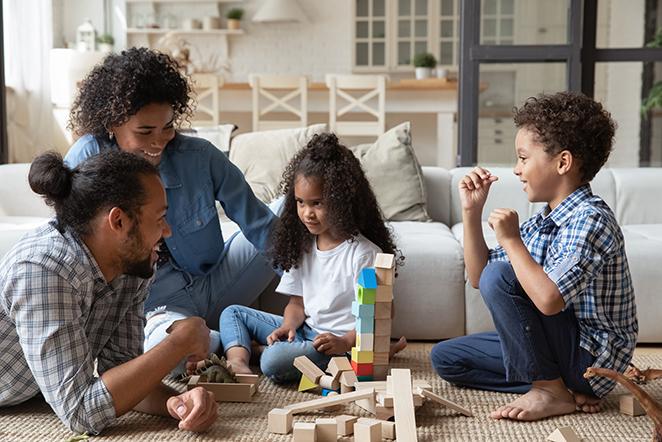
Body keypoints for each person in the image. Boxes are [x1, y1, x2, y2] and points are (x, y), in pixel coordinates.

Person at [64, 47, 279, 369]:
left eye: (167, 126)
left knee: (292, 213)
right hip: (154, 310)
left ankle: (222, 338)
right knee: (172, 360)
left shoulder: (200, 156)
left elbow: (261, 224)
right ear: (112, 123)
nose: (159, 140)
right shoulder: (86, 160)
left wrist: (301, 297)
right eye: (145, 131)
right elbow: (71, 253)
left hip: (212, 284)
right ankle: (226, 340)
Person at [430, 92, 638, 421]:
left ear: (563, 162)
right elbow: (478, 276)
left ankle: (548, 389)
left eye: (523, 158)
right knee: (447, 358)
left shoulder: (591, 219)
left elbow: (550, 301)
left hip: (591, 358)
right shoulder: (544, 219)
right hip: (561, 350)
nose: (516, 169)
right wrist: (472, 212)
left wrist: (511, 240)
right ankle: (561, 390)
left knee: (502, 274)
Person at [0, 150, 217, 434]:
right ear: (118, 221)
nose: (167, 231)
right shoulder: (43, 270)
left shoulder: (131, 265)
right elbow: (81, 412)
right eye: (160, 217)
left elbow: (121, 375)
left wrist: (176, 403)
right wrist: (179, 343)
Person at [219, 133, 405, 382]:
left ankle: (352, 358)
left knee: (273, 362)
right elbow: (297, 304)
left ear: (341, 201)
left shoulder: (364, 253)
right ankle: (239, 362)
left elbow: (382, 313)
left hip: (337, 343)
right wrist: (288, 326)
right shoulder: (304, 246)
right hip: (307, 331)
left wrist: (346, 341)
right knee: (232, 313)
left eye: (317, 203)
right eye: (300, 202)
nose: (307, 213)